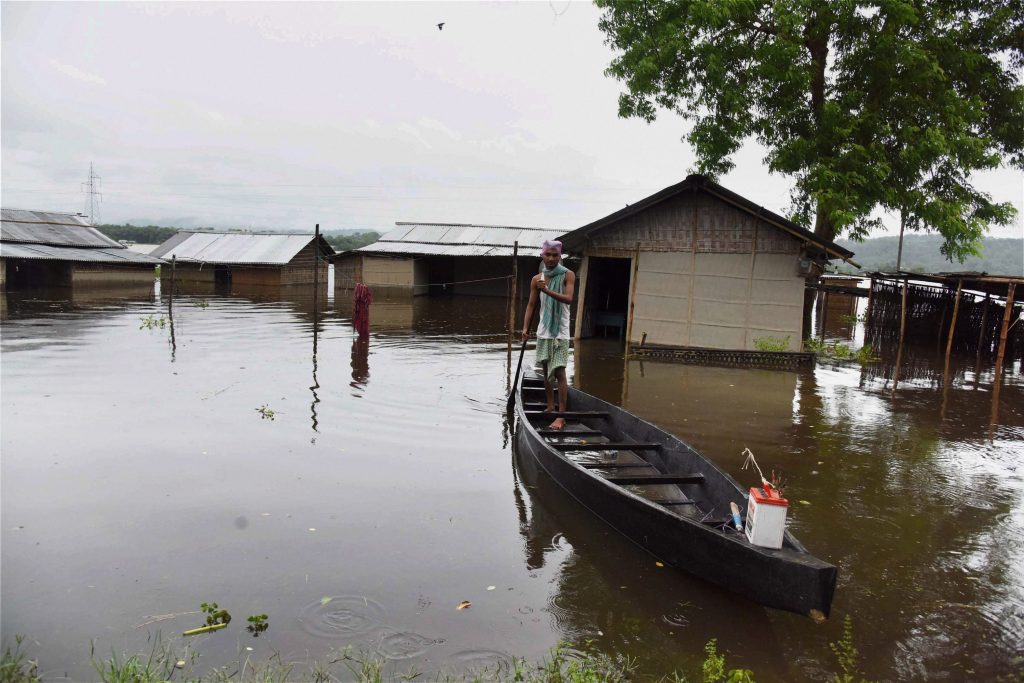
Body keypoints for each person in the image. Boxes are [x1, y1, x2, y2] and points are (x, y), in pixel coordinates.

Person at [521, 240, 575, 430]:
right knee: (545, 370)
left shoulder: (568, 275)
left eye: (555, 255)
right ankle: (551, 406)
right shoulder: (537, 279)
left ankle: (561, 417)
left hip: (560, 332)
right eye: (548, 255)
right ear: (542, 255)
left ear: (560, 256)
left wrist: (547, 290)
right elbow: (531, 305)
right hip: (544, 331)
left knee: (559, 372)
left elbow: (568, 299)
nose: (551, 258)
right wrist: (525, 328)